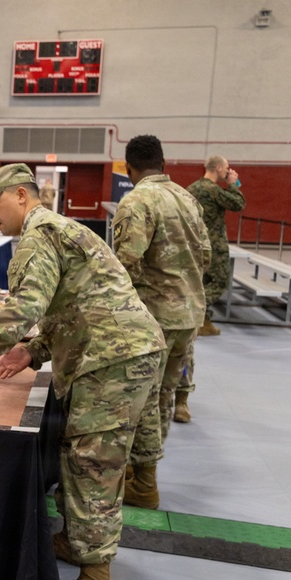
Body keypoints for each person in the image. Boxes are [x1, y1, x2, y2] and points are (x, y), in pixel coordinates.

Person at [0, 164, 165, 580]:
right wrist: (32, 351)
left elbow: (27, 305)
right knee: (90, 459)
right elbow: (73, 303)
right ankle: (79, 544)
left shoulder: (38, 236)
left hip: (112, 359)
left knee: (90, 466)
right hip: (123, 351)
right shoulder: (61, 228)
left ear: (20, 195)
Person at [111, 135, 211, 510]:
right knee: (166, 391)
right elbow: (206, 254)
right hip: (189, 314)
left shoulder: (137, 200)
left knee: (144, 397)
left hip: (154, 316)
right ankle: (144, 472)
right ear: (162, 162)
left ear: (129, 167)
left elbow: (125, 264)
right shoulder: (188, 197)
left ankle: (144, 482)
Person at [187, 155, 246, 336]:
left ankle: (203, 321)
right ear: (218, 168)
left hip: (195, 243)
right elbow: (239, 204)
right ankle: (197, 311)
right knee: (221, 279)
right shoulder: (214, 190)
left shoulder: (191, 188)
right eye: (227, 167)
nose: (229, 171)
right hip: (214, 244)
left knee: (202, 280)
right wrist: (233, 184)